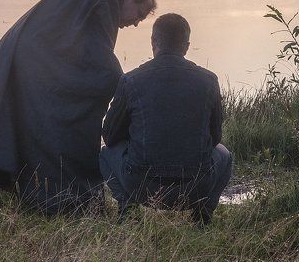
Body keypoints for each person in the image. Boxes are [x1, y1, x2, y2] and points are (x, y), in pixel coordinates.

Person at [0, 0, 156, 215]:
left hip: (24, 54)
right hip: (33, 59)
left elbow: (84, 49)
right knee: (63, 124)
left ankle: (46, 196)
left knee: (41, 124)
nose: (136, 23)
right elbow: (100, 58)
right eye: (139, 14)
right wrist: (126, 90)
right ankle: (63, 200)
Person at [99, 13, 233, 225]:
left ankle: (129, 210)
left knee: (106, 153)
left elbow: (110, 135)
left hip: (142, 185)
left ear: (153, 41)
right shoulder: (209, 81)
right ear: (187, 46)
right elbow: (216, 137)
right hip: (196, 185)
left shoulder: (130, 80)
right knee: (225, 155)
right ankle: (202, 215)